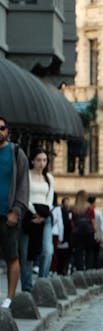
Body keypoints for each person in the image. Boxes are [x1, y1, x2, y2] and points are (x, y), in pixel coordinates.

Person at [0, 116, 29, 308]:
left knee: (12, 256)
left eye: (1, 128)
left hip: (8, 215)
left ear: (7, 130)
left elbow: (23, 186)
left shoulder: (16, 153)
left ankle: (9, 298)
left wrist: (16, 211)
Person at [19, 149, 54, 292]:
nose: (42, 163)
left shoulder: (49, 178)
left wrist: (43, 215)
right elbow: (23, 195)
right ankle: (27, 289)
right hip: (29, 216)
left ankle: (42, 285)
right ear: (32, 161)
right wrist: (35, 213)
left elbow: (50, 198)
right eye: (39, 160)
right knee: (27, 253)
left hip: (44, 217)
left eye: (44, 160)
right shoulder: (26, 175)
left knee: (47, 251)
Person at [71, 189, 96, 270]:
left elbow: (73, 222)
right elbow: (93, 220)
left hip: (78, 233)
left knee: (78, 252)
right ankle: (89, 269)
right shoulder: (90, 207)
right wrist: (95, 230)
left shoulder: (75, 208)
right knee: (89, 252)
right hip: (88, 232)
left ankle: (80, 270)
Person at [52, 195, 73, 275]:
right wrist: (61, 238)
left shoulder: (69, 212)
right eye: (66, 202)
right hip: (60, 236)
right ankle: (58, 270)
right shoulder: (59, 210)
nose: (67, 204)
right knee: (59, 255)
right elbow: (61, 225)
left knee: (64, 255)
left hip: (66, 237)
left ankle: (62, 270)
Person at [87, 195, 103, 267]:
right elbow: (101, 227)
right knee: (95, 256)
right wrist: (102, 238)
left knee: (89, 255)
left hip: (88, 236)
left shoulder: (85, 212)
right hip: (96, 237)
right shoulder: (98, 213)